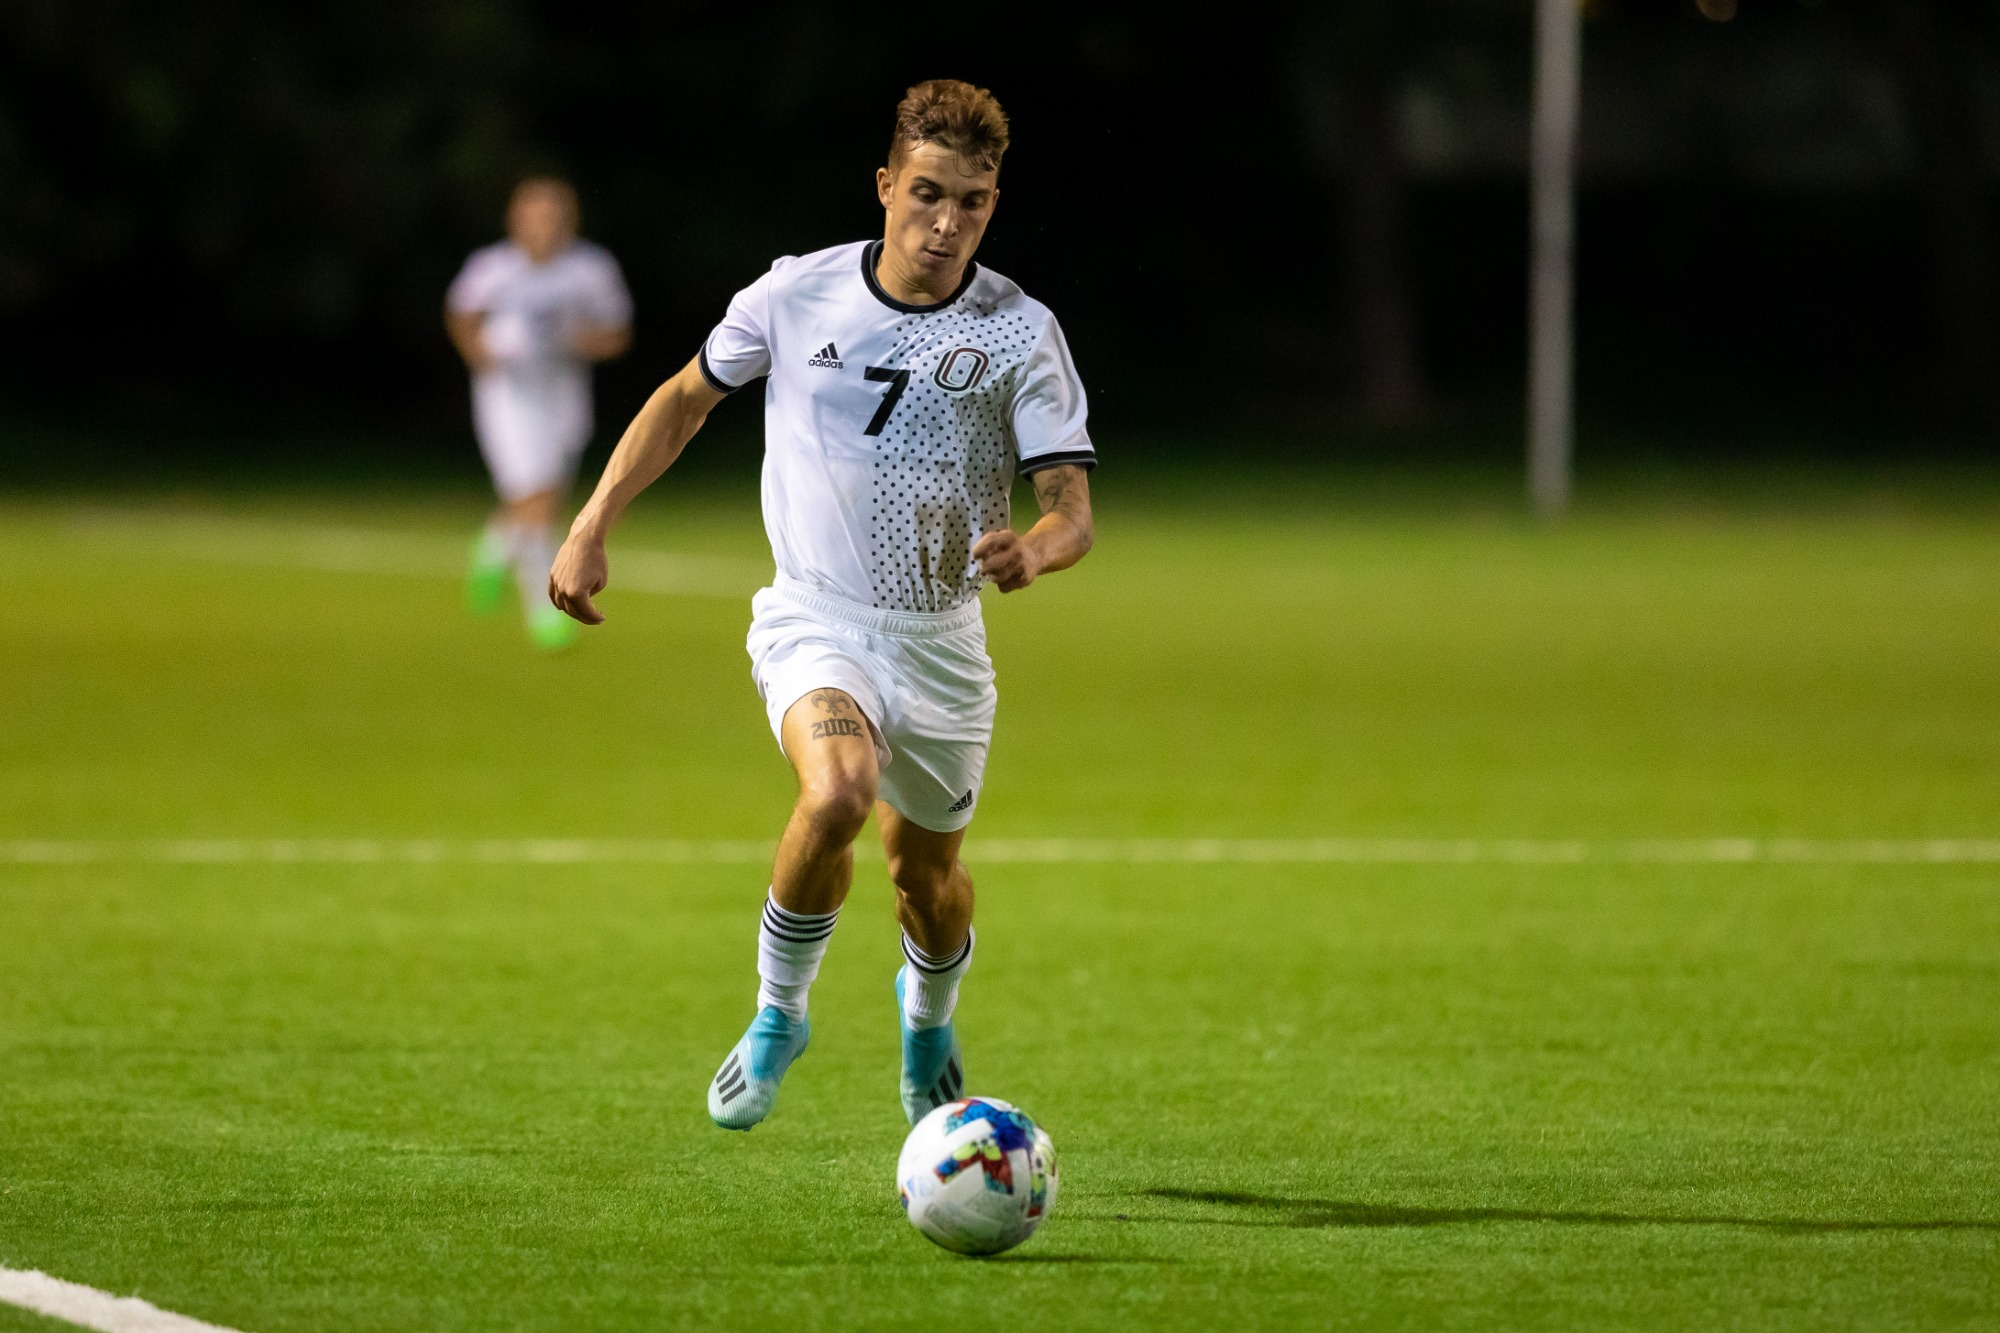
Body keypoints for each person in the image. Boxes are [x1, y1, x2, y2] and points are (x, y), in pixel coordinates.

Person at [549, 79, 1096, 1129]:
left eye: (971, 203)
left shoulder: (1020, 331)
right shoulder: (795, 296)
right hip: (815, 617)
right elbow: (683, 397)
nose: (945, 223)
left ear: (992, 204)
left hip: (941, 646)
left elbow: (1071, 509)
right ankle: (777, 1013)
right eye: (927, 193)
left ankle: (926, 1009)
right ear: (885, 184)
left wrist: (1037, 547)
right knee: (838, 790)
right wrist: (591, 522)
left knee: (927, 885)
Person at [446, 177, 633, 650]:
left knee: (542, 497)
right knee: (538, 501)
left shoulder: (590, 270)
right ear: (516, 219)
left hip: (564, 395)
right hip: (507, 398)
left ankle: (492, 547)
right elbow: (462, 315)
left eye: (554, 215)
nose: (545, 226)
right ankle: (542, 609)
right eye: (535, 215)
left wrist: (576, 341)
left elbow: (616, 334)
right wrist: (485, 353)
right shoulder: (492, 269)